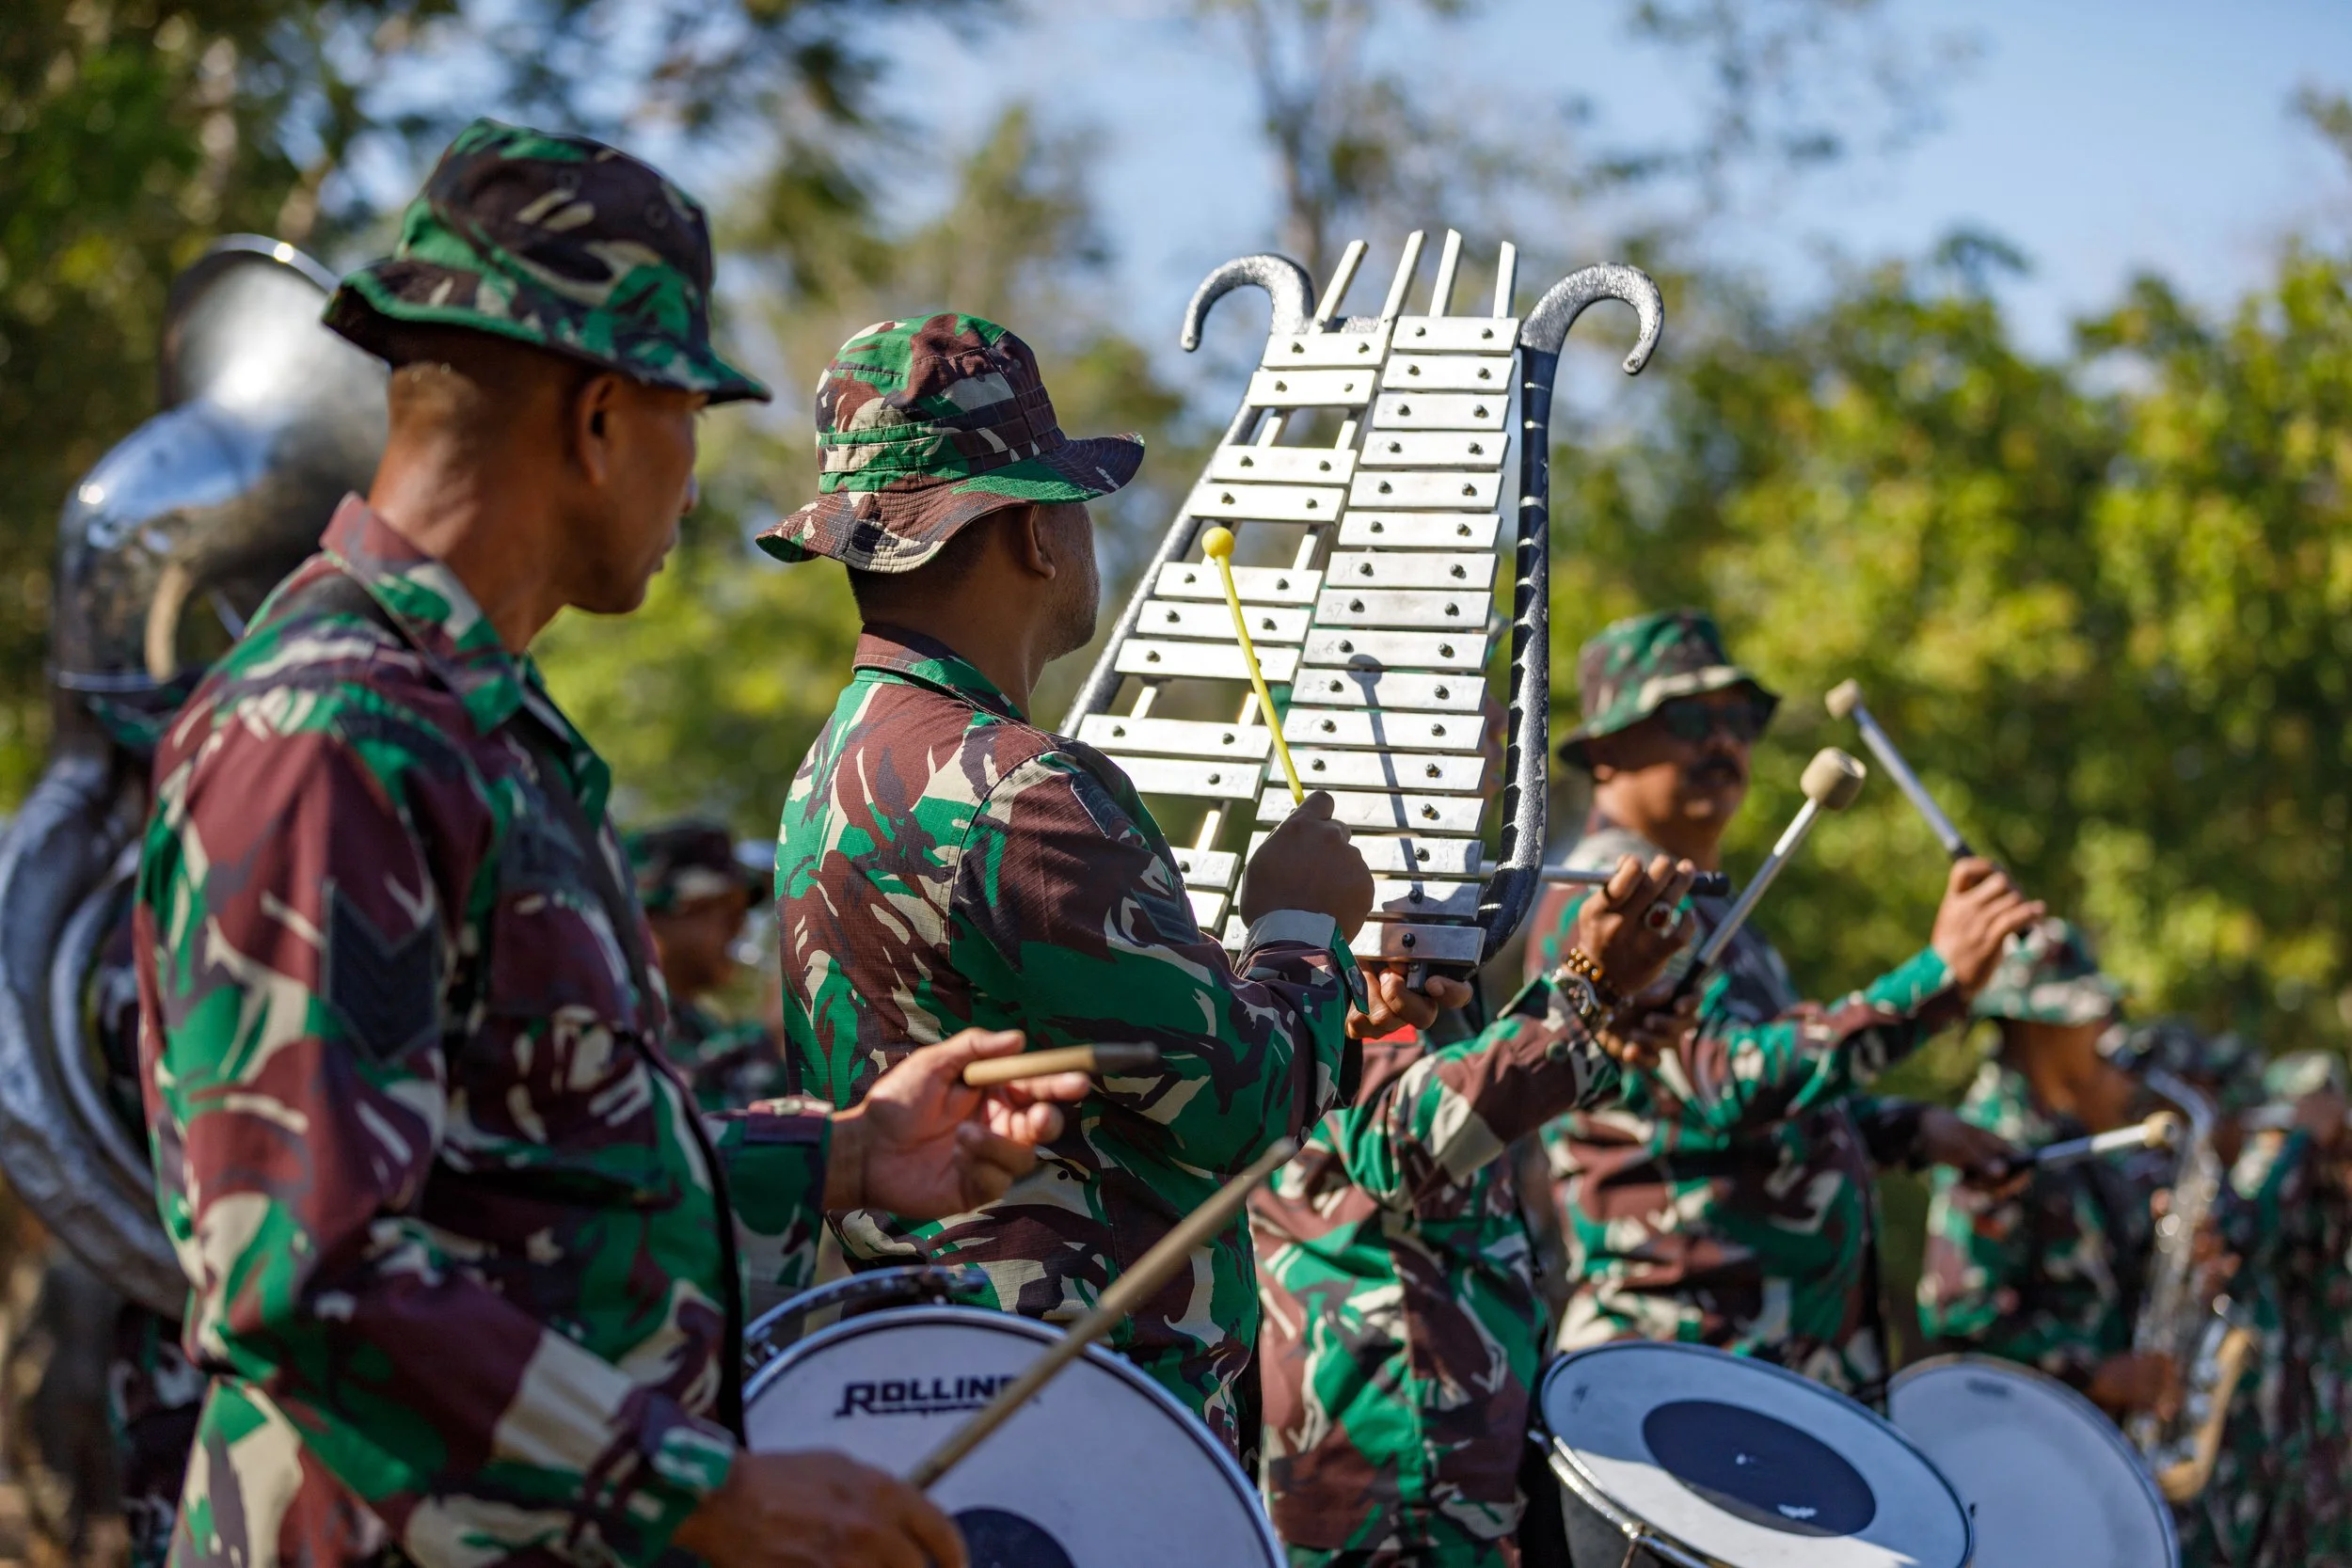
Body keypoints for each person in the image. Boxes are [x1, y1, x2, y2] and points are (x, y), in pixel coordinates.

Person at [134, 121, 1089, 1568]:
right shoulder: (329, 733)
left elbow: (514, 1167)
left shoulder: (469, 723)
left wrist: (842, 1156)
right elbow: (299, 1266)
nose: (694, 482)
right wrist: (694, 1488)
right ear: (596, 421)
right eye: (684, 419)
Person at [761, 311, 1461, 1452]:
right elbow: (1241, 1103)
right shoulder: (1020, 790)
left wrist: (1321, 994)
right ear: (1038, 533)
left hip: (937, 1388)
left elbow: (1109, 1058)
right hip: (1086, 1413)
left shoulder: (834, 762)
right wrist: (1301, 922)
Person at [1527, 610, 2040, 1406]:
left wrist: (1911, 1130)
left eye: (1741, 720)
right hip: (1678, 1374)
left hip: (1776, 1375)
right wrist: (1935, 981)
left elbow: (1744, 1111)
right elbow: (1722, 1079)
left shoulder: (1722, 917)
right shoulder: (1604, 907)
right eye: (1689, 719)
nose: (1723, 742)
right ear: (1605, 752)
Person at [1251, 855, 1703, 1568]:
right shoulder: (1349, 912)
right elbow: (1397, 1143)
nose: (1502, 749)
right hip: (1387, 1454)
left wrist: (1601, 1025)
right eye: (1494, 735)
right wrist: (1586, 989)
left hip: (1445, 1447)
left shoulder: (1418, 909)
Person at [1915, 921, 2178, 1417]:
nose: (2103, 1032)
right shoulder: (1993, 1139)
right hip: (2028, 1443)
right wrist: (2093, 1372)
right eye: (2089, 1016)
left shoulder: (2060, 1128)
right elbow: (1959, 1311)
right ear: (2041, 1024)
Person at [628, 817, 784, 1110]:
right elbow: (676, 1112)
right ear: (660, 913)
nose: (741, 931)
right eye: (728, 915)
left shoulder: (698, 1024)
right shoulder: (618, 1013)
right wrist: (774, 1036)